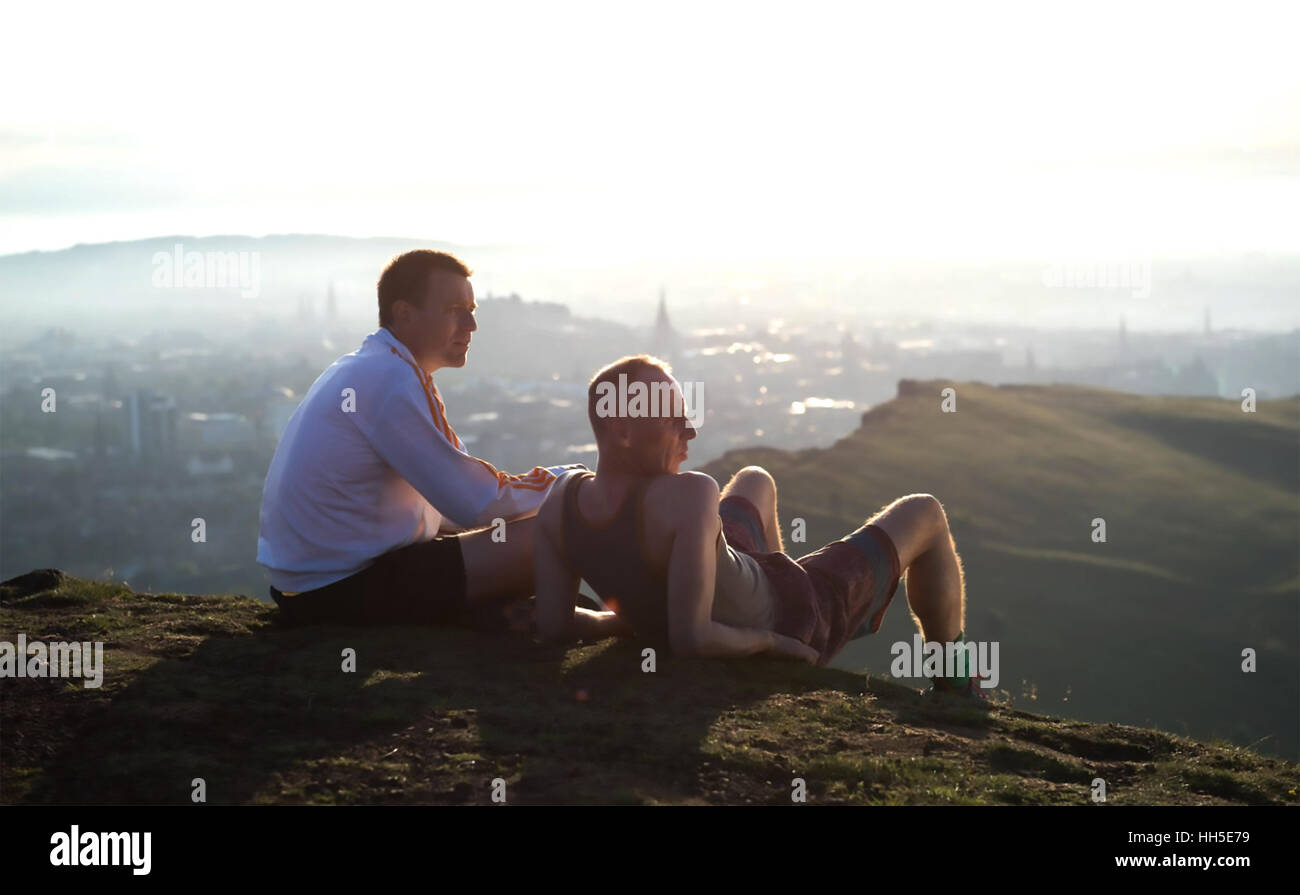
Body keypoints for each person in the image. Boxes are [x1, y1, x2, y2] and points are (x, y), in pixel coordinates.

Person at [533, 354, 981, 693]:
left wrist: (622, 622)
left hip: (739, 571)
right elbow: (692, 640)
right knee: (925, 512)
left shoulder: (560, 503)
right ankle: (958, 685)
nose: (690, 433)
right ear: (623, 432)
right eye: (675, 421)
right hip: (797, 612)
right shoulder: (691, 495)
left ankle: (780, 572)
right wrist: (771, 642)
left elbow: (554, 624)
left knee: (755, 479)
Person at [257, 249, 585, 629]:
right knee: (563, 528)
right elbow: (480, 503)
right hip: (342, 592)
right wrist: (572, 485)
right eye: (453, 310)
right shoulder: (391, 379)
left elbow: (447, 504)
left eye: (472, 309)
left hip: (307, 591)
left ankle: (551, 616)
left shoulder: (370, 368)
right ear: (404, 314)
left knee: (531, 536)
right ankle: (597, 624)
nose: (471, 324)